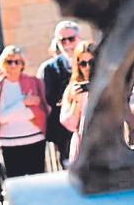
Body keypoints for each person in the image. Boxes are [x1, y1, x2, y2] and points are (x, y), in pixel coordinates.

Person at [0, 45, 49, 178]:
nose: (14, 65)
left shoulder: (33, 82)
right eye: (9, 62)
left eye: (18, 62)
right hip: (9, 142)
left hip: (34, 139)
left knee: (38, 181)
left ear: (23, 64)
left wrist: (13, 111)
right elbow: (2, 118)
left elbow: (36, 112)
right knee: (15, 184)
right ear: (3, 63)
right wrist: (23, 102)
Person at [37, 20, 80, 167]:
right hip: (63, 132)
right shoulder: (48, 68)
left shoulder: (91, 61)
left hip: (90, 126)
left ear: (79, 38)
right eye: (63, 40)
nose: (67, 44)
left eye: (71, 39)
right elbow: (47, 100)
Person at [59, 41, 94, 162]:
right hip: (82, 146)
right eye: (83, 63)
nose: (88, 67)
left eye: (92, 62)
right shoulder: (72, 89)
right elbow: (69, 124)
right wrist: (77, 102)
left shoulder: (108, 84)